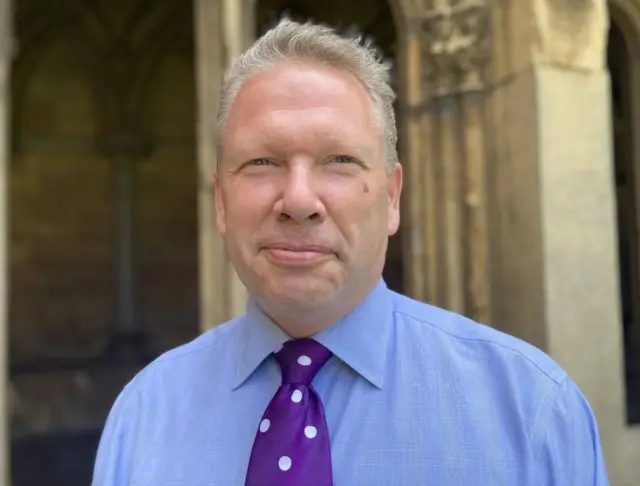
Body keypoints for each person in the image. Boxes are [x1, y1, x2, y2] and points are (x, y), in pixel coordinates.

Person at [92, 18, 609, 485]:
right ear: (221, 202)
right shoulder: (143, 417)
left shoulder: (533, 413)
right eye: (262, 163)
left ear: (392, 197)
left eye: (339, 160)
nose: (298, 200)